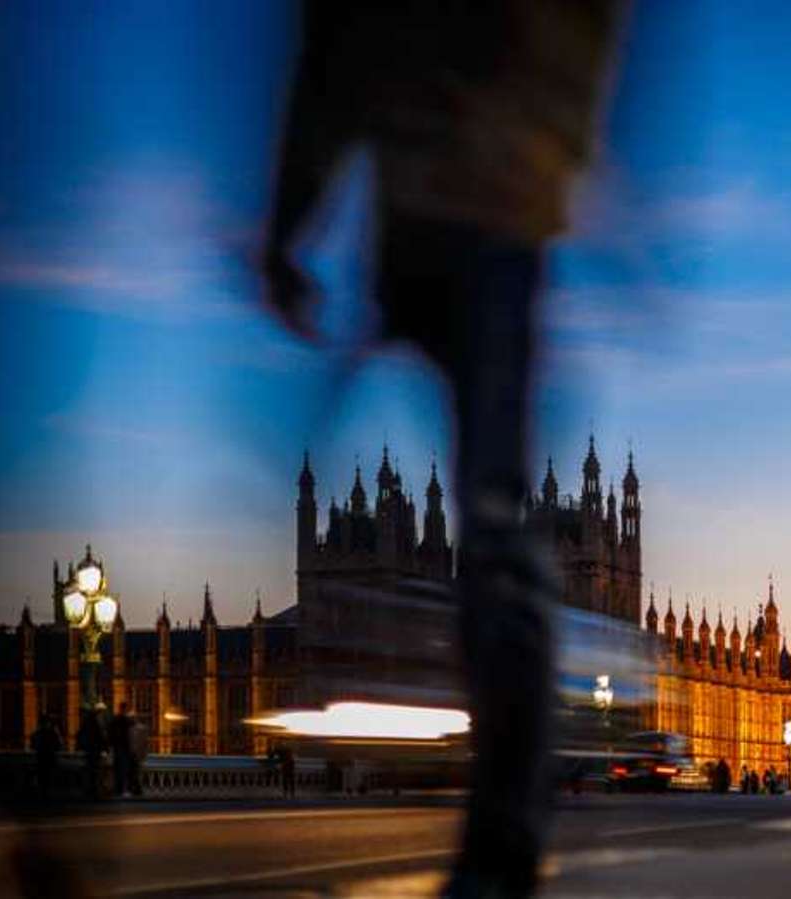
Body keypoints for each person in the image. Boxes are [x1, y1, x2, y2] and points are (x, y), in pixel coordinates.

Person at [262, 6, 619, 893]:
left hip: (465, 211)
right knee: (491, 518)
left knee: (493, 520)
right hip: (463, 216)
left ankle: (502, 833)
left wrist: (291, 214)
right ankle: (502, 819)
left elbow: (332, 59)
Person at [29, 715, 63, 801]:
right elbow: (59, 745)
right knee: (48, 778)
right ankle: (46, 795)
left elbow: (32, 745)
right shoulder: (52, 733)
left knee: (43, 778)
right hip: (49, 758)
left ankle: (43, 794)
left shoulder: (37, 733)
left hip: (41, 758)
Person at [75, 710, 106, 800]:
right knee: (95, 772)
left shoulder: (86, 725)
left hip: (89, 751)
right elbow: (101, 738)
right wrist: (104, 748)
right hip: (95, 751)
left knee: (90, 771)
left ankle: (89, 789)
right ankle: (94, 790)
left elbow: (80, 736)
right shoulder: (96, 726)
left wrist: (80, 747)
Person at [109, 702, 134, 797]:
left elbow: (110, 733)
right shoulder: (125, 720)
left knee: (117, 770)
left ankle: (117, 790)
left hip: (117, 747)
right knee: (124, 770)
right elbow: (131, 729)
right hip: (124, 748)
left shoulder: (115, 719)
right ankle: (123, 790)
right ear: (125, 709)